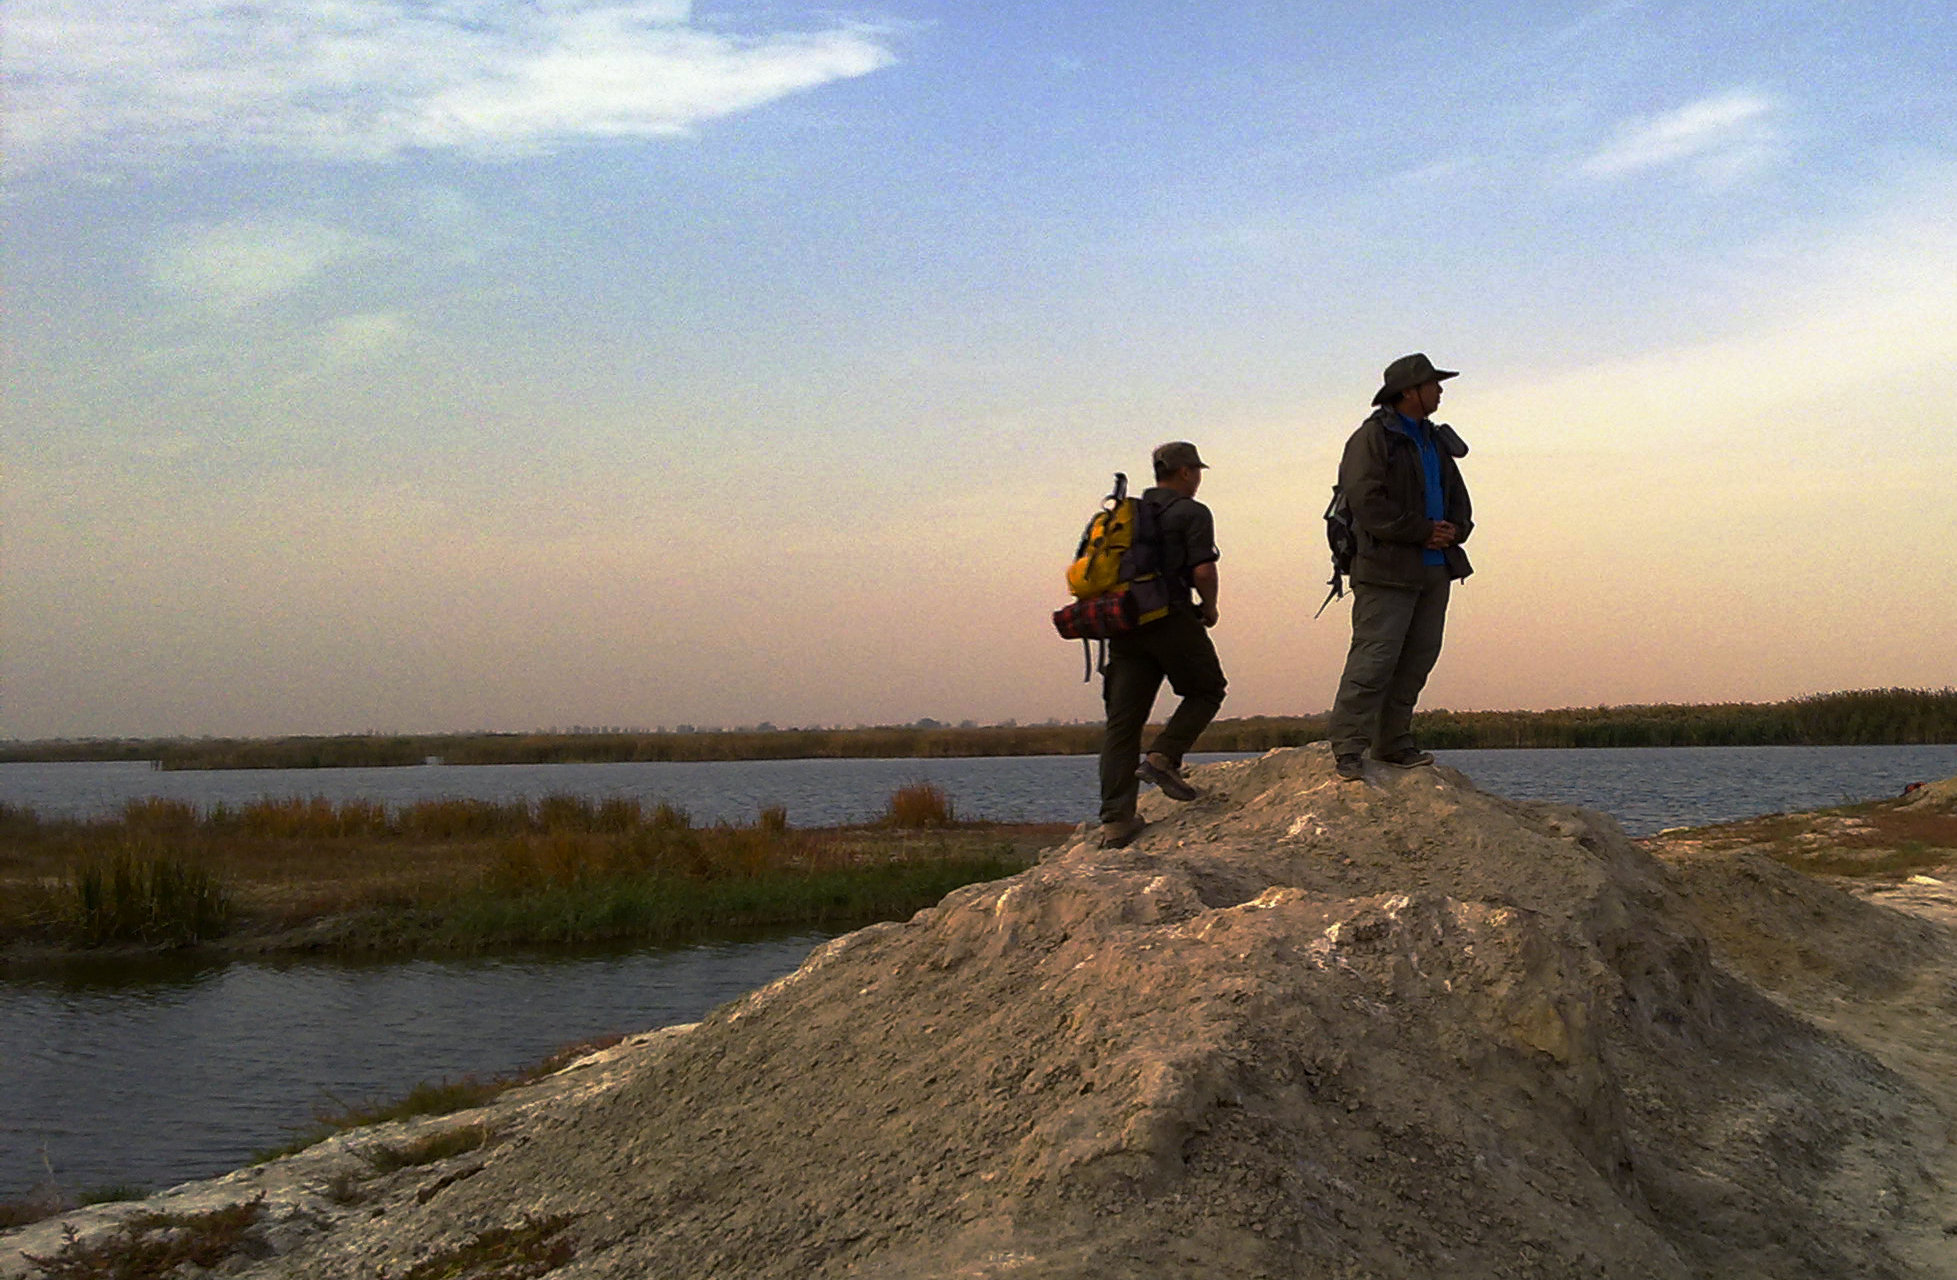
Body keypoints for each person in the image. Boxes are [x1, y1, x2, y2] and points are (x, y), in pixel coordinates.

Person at [1326, 353, 1473, 781]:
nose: (1440, 390)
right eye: (1433, 384)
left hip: (1433, 569)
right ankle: (1348, 747)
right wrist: (1420, 531)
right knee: (1374, 659)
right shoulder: (1372, 438)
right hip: (1386, 568)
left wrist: (1454, 531)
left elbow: (1459, 500)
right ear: (1409, 391)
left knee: (1416, 661)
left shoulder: (1435, 439)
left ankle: (1392, 744)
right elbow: (1366, 501)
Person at [1097, 441, 1227, 847]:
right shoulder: (1192, 512)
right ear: (1186, 472)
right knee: (1207, 689)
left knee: (1123, 724)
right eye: (1197, 471)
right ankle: (1162, 759)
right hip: (1169, 616)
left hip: (1123, 625)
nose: (1199, 479)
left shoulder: (1124, 514)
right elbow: (1203, 569)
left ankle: (1116, 822)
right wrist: (1210, 606)